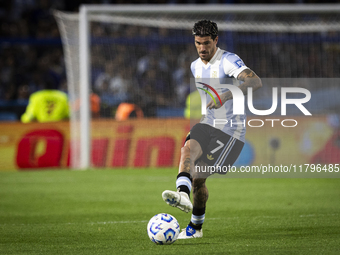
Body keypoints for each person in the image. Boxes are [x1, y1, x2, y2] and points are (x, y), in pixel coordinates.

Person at [162, 20, 262, 239]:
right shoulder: (194, 66)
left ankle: (195, 227)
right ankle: (182, 195)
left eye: (206, 43)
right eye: (198, 43)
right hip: (207, 123)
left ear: (216, 40)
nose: (202, 48)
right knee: (187, 149)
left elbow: (255, 82)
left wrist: (226, 95)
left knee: (198, 177)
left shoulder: (228, 60)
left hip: (230, 132)